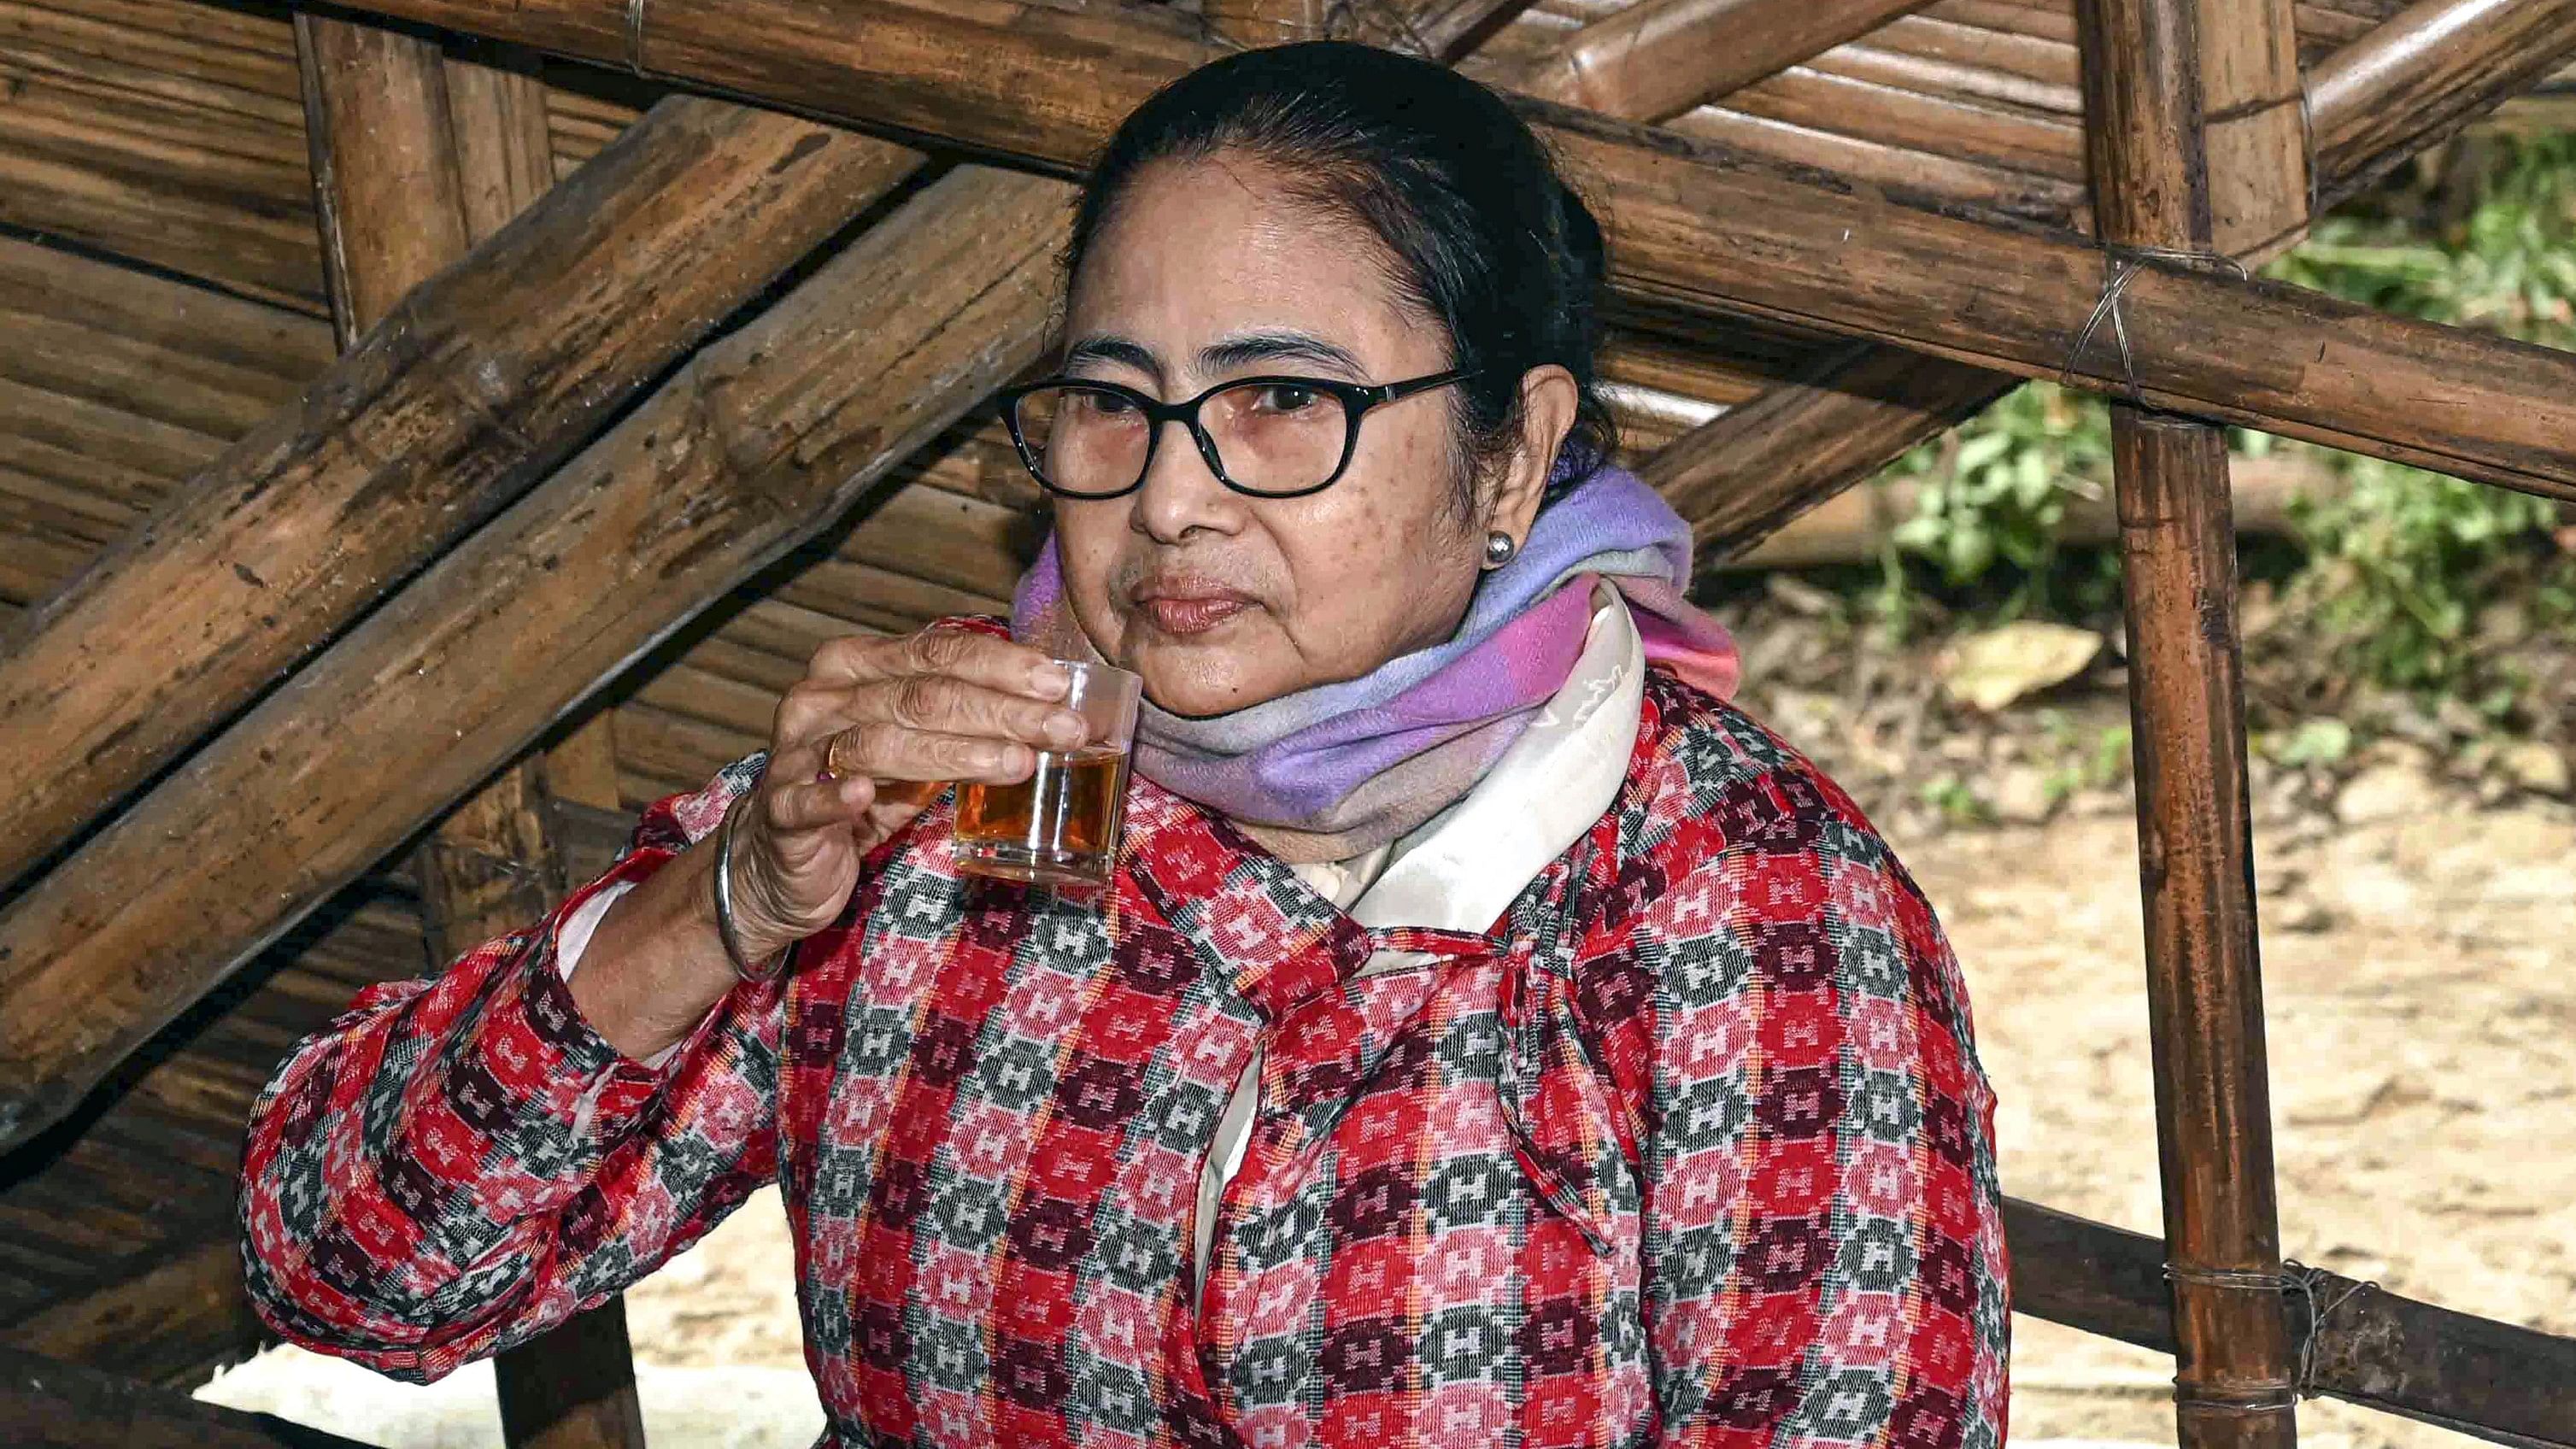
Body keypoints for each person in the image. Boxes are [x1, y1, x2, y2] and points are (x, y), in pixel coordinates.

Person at [239, 41, 2007, 1449]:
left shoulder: (1741, 905)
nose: (1166, 498)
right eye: (1109, 401)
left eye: (1280, 402)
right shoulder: (934, 790)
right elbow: (345, 1268)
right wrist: (716, 906)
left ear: (1511, 451)